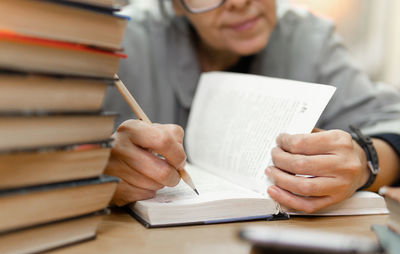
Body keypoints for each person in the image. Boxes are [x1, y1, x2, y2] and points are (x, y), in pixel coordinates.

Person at [104, 0, 400, 212]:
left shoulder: (307, 39)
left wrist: (365, 162)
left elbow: (391, 123)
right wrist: (100, 166)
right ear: (175, 5)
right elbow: (60, 154)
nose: (237, 3)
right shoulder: (119, 42)